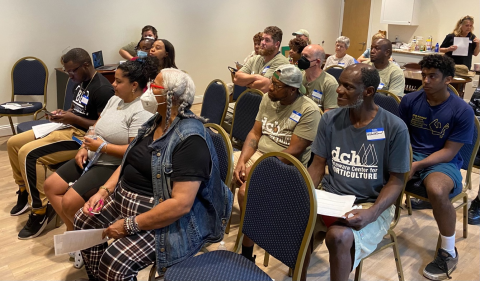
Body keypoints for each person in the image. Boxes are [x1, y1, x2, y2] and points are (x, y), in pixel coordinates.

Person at [73, 68, 233, 280]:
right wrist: (103, 192)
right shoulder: (155, 121)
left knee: (115, 261)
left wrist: (129, 225)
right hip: (125, 199)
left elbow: (181, 204)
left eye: (153, 86)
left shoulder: (190, 139)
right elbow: (128, 160)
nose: (147, 90)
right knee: (83, 221)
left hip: (162, 215)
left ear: (170, 97)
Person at [303, 63, 410, 281]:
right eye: (340, 83)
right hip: (331, 197)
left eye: (347, 87)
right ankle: (298, 275)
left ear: (368, 92)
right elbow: (317, 164)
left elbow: (397, 181)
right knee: (296, 218)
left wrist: (373, 212)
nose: (338, 90)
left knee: (339, 235)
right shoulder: (329, 119)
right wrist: (304, 194)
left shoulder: (394, 127)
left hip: (370, 203)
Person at [7, 48, 114, 239]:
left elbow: (101, 126)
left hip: (83, 137)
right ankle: (24, 190)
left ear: (86, 65)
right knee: (14, 143)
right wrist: (63, 114)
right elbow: (76, 109)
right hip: (67, 128)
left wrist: (72, 117)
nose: (69, 75)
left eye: (72, 70)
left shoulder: (102, 88)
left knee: (29, 154)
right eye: (67, 71)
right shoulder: (79, 84)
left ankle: (40, 211)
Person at [44, 58, 157, 239]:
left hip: (112, 165)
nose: (114, 84)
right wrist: (84, 146)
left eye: (119, 81)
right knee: (50, 186)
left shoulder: (141, 111)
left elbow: (133, 151)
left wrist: (102, 147)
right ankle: (75, 233)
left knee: (69, 202)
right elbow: (95, 126)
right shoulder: (114, 100)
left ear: (134, 85)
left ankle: (84, 240)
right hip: (92, 155)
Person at [234, 64, 321, 263]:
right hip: (261, 156)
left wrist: (255, 168)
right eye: (272, 83)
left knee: (245, 192)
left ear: (293, 90)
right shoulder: (268, 98)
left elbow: (293, 152)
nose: (270, 88)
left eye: (276, 85)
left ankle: (247, 253)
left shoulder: (309, 110)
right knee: (214, 165)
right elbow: (255, 133)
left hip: (286, 165)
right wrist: (242, 161)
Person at [399, 54, 474, 280]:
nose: (426, 81)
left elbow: (450, 152)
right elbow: (400, 136)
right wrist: (403, 160)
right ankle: (372, 229)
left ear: (448, 80)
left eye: (433, 76)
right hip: (411, 154)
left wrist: (417, 164)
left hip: (443, 160)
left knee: (437, 190)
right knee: (372, 171)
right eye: (424, 75)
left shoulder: (462, 110)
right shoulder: (410, 100)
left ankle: (448, 251)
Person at [234, 26, 290, 93]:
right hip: (251, 100)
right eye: (262, 39)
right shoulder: (255, 58)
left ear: (277, 44)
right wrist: (255, 77)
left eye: (267, 40)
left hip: (267, 102)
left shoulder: (281, 62)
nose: (262, 43)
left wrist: (246, 82)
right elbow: (237, 78)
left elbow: (264, 86)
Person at [300, 44, 339, 112]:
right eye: (302, 55)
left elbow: (328, 116)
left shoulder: (330, 83)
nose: (302, 59)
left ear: (317, 62)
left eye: (306, 56)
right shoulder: (299, 76)